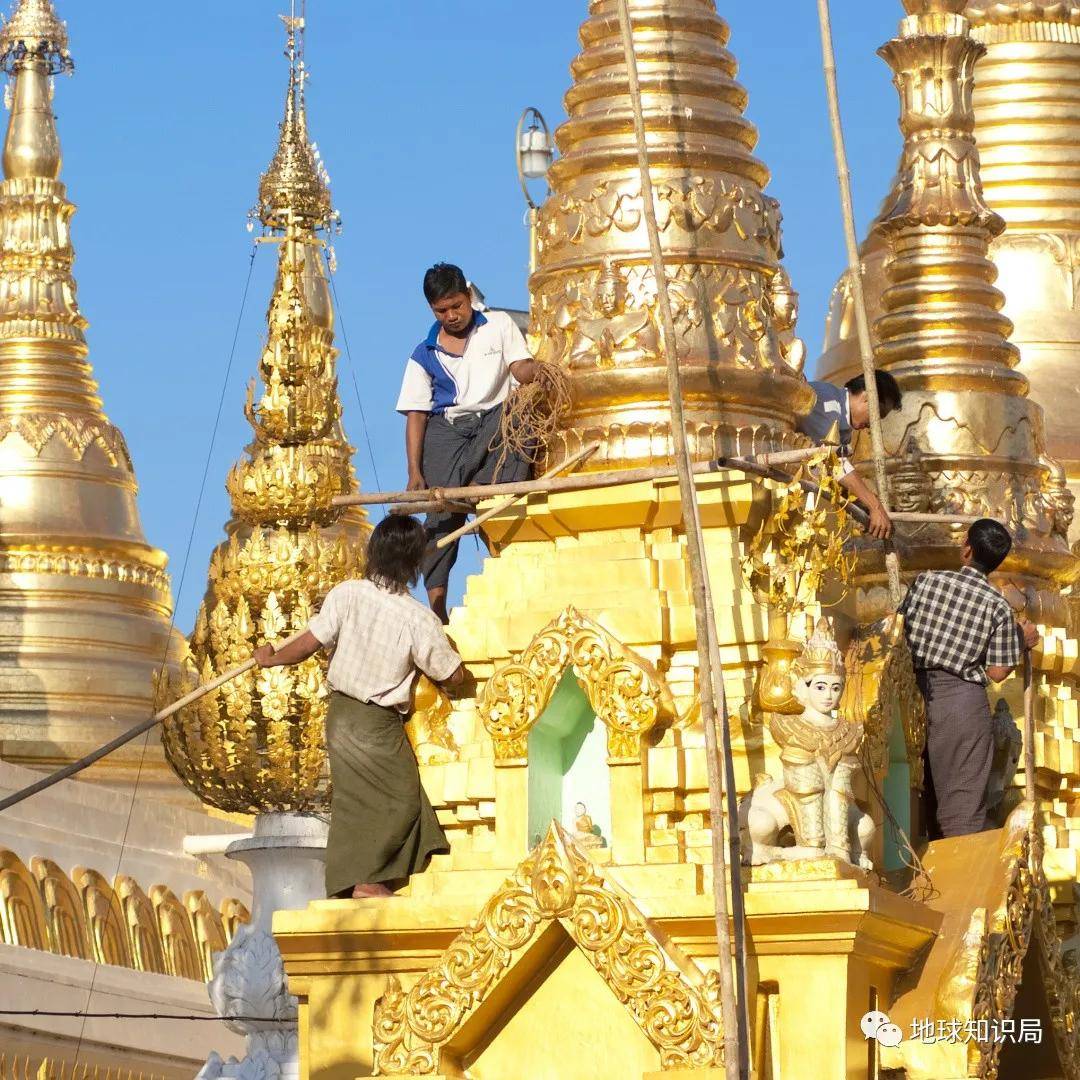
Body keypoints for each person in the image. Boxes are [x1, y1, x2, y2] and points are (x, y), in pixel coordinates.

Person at [253, 516, 463, 899]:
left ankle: (352, 884)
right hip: (374, 722)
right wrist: (459, 659)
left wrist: (272, 658)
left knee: (354, 802)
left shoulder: (346, 593)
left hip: (341, 717)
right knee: (401, 800)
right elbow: (451, 675)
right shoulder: (417, 618)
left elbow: (311, 642)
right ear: (414, 562)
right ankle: (366, 881)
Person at [397, 263, 538, 623]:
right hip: (447, 427)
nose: (452, 315)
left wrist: (540, 373)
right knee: (441, 513)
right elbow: (416, 414)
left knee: (523, 417)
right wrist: (415, 472)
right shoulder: (424, 354)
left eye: (456, 306)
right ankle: (437, 606)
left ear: (468, 296)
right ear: (432, 310)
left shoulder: (500, 326)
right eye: (441, 311)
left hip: (494, 417)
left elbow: (520, 368)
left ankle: (483, 489)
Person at [898, 519, 1039, 839]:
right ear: (997, 562)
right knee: (960, 806)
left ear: (966, 549)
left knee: (912, 798)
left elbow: (899, 628)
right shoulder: (998, 606)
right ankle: (959, 884)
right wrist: (1022, 640)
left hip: (909, 695)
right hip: (960, 704)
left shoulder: (926, 582)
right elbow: (998, 672)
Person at [797, 371, 903, 540]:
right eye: (877, 414)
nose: (871, 425)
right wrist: (874, 505)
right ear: (866, 397)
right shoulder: (827, 402)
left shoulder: (842, 422)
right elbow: (834, 462)